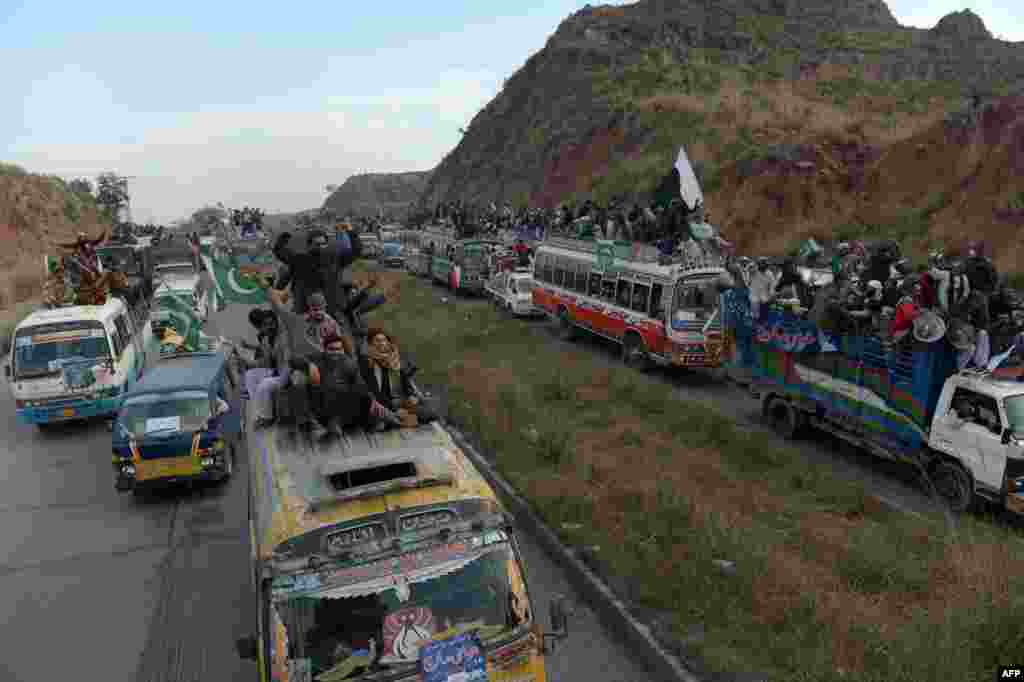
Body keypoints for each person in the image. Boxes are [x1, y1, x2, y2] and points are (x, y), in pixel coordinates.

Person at [357, 327, 438, 425]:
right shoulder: (367, 363)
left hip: (398, 403)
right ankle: (398, 420)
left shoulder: (395, 361)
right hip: (380, 406)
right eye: (377, 341)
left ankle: (400, 420)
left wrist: (411, 397)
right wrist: (395, 407)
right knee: (379, 420)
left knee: (431, 413)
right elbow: (374, 394)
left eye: (384, 340)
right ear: (370, 344)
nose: (382, 343)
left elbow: (406, 386)